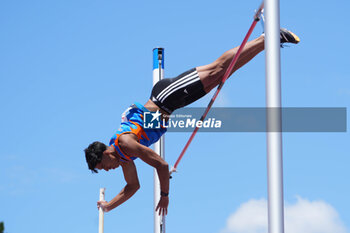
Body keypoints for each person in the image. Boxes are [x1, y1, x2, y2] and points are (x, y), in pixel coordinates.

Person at [84, 28, 300, 216]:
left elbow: (161, 164)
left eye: (102, 166)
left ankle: (267, 37)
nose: (107, 170)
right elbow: (132, 187)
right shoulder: (124, 158)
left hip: (165, 97)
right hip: (170, 105)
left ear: (104, 153)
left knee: (217, 69)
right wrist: (109, 206)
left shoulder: (125, 145)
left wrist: (165, 195)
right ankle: (266, 41)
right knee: (222, 75)